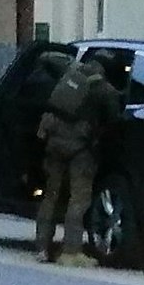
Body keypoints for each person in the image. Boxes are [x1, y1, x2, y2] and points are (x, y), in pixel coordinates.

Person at [34, 49, 124, 268]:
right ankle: (71, 251)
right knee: (79, 198)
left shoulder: (70, 71)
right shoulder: (105, 90)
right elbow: (115, 120)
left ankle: (42, 249)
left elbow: (45, 57)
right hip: (79, 148)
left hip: (53, 140)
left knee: (51, 195)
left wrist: (71, 60)